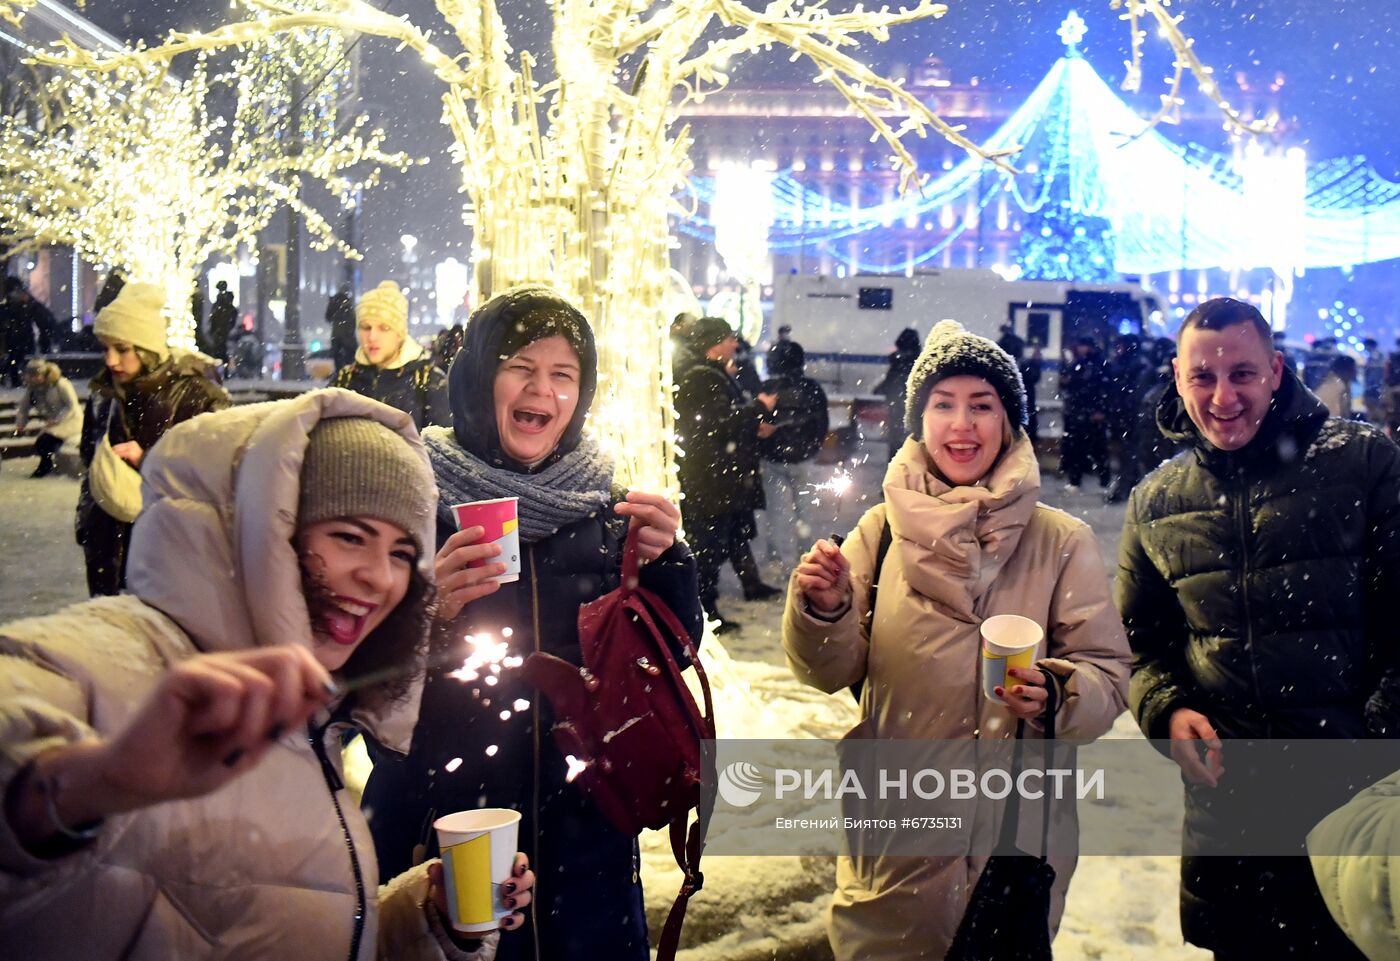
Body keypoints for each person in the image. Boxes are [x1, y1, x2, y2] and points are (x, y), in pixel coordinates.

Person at [0, 391, 536, 960]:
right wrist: (83, 785)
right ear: (264, 531)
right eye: (348, 537)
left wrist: (430, 921)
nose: (379, 578)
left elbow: (263, 926)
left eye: (402, 553)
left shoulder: (315, 719)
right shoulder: (122, 654)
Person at [362, 285, 702, 961]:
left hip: (590, 850)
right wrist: (431, 615)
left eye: (563, 374)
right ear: (480, 375)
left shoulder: (606, 510)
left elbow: (671, 655)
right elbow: (366, 698)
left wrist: (670, 563)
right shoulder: (412, 504)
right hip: (448, 830)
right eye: (520, 365)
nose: (541, 389)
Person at [783, 319, 1130, 960]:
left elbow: (1108, 673)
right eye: (942, 405)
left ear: (1010, 424)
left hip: (1016, 833)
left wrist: (1057, 692)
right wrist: (823, 609)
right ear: (920, 421)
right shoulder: (879, 533)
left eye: (982, 406)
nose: (961, 425)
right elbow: (826, 672)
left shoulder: (1060, 541)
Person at [1117, 297, 1400, 961]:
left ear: (1276, 371)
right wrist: (1167, 708)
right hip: (1232, 818)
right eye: (1202, 377)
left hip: (1358, 810)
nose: (1222, 397)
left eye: (1241, 374)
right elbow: (1138, 645)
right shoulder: (1157, 501)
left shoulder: (1362, 463)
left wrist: (1373, 744)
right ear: (1176, 376)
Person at [77, 281, 230, 596]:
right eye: (105, 348)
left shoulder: (196, 394)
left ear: (146, 349)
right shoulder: (103, 397)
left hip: (168, 551)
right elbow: (88, 461)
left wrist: (149, 460)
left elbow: (221, 472)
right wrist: (87, 522)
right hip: (105, 547)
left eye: (122, 349)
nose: (110, 361)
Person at [674, 315, 781, 630]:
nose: (735, 344)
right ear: (714, 344)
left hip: (719, 479)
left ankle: (723, 600)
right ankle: (704, 614)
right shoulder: (702, 378)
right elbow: (716, 426)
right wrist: (758, 407)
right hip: (709, 480)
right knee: (708, 549)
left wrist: (751, 423)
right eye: (729, 338)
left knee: (727, 539)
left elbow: (722, 422)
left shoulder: (711, 375)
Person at [331, 281, 448, 431]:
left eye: (384, 328)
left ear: (399, 334)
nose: (372, 337)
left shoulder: (430, 382)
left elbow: (441, 450)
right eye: (366, 327)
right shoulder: (344, 380)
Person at [757, 338, 829, 570]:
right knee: (804, 510)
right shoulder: (812, 388)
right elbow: (821, 422)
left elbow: (758, 423)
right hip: (803, 458)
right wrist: (811, 446)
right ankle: (806, 554)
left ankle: (776, 558)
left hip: (773, 458)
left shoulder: (768, 388)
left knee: (775, 512)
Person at [1058, 335, 1110, 491]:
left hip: (1090, 411)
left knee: (1098, 448)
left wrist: (1101, 410)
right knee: (1077, 447)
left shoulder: (1099, 364)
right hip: (1078, 411)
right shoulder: (1079, 363)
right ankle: (1076, 480)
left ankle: (1103, 480)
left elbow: (1103, 389)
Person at [1103, 333, 1151, 502]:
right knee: (1127, 454)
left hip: (1130, 417)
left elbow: (1135, 396)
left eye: (1121, 345)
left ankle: (1124, 489)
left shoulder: (1137, 367)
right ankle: (1133, 486)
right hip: (1122, 416)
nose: (1118, 349)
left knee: (1128, 453)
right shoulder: (1124, 365)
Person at [14, 359, 81, 478]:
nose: (33, 379)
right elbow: (24, 407)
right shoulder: (33, 389)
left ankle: (46, 466)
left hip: (71, 421)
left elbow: (72, 406)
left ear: (44, 374)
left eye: (36, 375)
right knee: (42, 444)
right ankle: (48, 464)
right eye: (31, 375)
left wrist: (58, 419)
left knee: (45, 442)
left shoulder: (61, 384)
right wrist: (21, 422)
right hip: (53, 424)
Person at [872, 327, 920, 461]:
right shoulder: (920, 364)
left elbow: (888, 384)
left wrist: (877, 390)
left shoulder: (897, 363)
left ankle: (896, 473)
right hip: (914, 416)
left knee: (896, 448)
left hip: (896, 412)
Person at [2, 278, 56, 388]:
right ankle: (17, 382)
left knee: (15, 363)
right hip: (20, 340)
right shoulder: (25, 304)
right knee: (17, 363)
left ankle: (15, 381)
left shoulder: (22, 305)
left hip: (17, 340)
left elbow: (43, 319)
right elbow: (44, 319)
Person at [1315, 353, 1359, 419]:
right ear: (1348, 370)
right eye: (1355, 369)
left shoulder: (1336, 383)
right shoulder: (1336, 388)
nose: (1356, 372)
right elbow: (1334, 418)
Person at [328, 284, 358, 371]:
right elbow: (353, 321)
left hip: (336, 337)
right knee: (349, 361)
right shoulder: (347, 305)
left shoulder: (334, 303)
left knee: (338, 362)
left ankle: (340, 375)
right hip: (347, 338)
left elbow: (328, 317)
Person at [207, 280, 237, 364]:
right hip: (222, 329)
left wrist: (215, 328)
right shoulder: (224, 300)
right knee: (221, 349)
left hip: (221, 329)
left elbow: (216, 315)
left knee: (220, 350)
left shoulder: (222, 300)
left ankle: (222, 368)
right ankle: (223, 368)